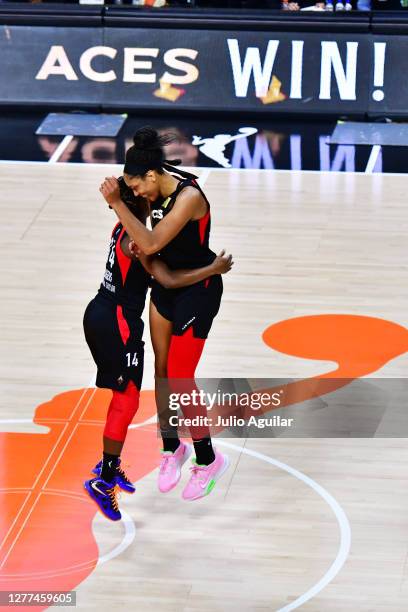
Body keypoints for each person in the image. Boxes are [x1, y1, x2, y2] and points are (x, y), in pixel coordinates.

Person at [84, 176, 232, 520]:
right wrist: (213, 268)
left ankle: (122, 463)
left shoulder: (121, 229)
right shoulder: (138, 242)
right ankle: (105, 478)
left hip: (100, 313)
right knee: (127, 399)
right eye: (135, 192)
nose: (141, 193)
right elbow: (166, 279)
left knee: (133, 392)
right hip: (118, 320)